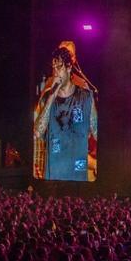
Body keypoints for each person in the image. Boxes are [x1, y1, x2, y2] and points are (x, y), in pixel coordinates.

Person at [33, 41, 97, 182]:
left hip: (77, 172)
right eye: (53, 67)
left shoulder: (85, 93)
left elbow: (96, 131)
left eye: (59, 66)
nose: (56, 71)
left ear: (69, 65)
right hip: (54, 171)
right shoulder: (48, 92)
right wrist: (51, 97)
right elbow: (37, 132)